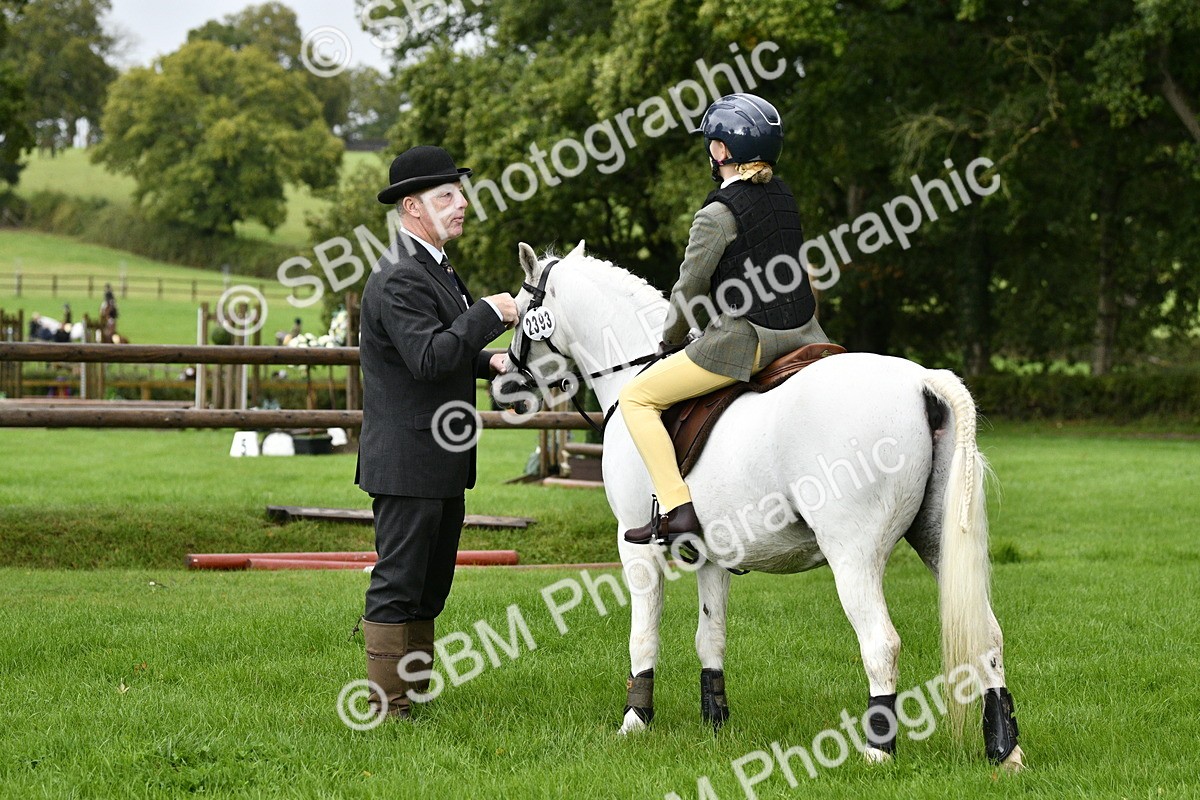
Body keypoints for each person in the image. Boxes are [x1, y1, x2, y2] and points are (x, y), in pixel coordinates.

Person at [620, 93, 830, 544]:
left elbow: (688, 289)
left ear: (720, 149)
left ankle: (676, 510)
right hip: (804, 333)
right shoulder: (784, 197)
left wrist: (669, 341)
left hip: (746, 342)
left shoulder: (716, 214)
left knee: (636, 398)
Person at [354, 145, 518, 720]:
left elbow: (446, 346)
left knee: (430, 585)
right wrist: (490, 313)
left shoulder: (436, 266)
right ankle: (388, 706)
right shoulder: (400, 275)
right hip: (407, 460)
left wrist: (491, 361)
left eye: (460, 193)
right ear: (412, 208)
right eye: (446, 196)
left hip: (439, 458)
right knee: (400, 581)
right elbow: (427, 357)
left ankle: (412, 696)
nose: (461, 204)